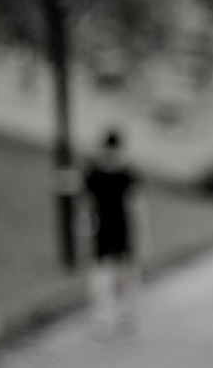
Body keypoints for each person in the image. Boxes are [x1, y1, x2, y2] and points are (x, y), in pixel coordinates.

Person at [81, 129, 150, 337]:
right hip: (103, 233)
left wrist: (143, 236)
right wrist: (85, 222)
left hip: (125, 232)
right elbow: (86, 202)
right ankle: (102, 318)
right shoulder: (94, 174)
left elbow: (137, 206)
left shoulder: (128, 176)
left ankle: (126, 315)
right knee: (102, 278)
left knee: (128, 276)